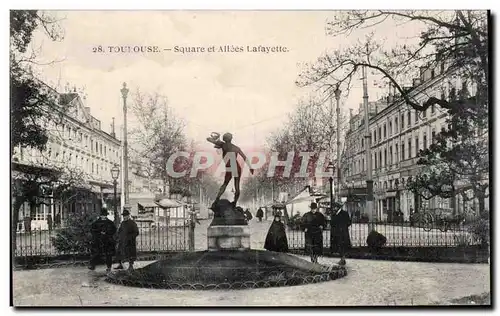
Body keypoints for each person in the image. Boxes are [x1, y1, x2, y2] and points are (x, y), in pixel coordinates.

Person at [206, 132, 254, 207]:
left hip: (230, 167)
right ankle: (234, 203)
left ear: (225, 139)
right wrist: (250, 167)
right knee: (237, 186)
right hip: (236, 166)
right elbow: (245, 158)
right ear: (231, 138)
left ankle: (216, 200)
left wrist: (215, 137)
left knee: (225, 184)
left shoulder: (223, 144)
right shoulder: (236, 148)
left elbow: (208, 139)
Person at [88, 208, 117, 273]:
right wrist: (99, 233)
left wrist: (107, 233)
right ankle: (92, 265)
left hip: (108, 240)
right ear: (100, 215)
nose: (103, 217)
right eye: (102, 215)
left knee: (108, 254)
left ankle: (109, 267)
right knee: (95, 252)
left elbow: (114, 230)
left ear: (106, 215)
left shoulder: (110, 222)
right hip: (98, 240)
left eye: (104, 215)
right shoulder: (96, 223)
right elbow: (92, 230)